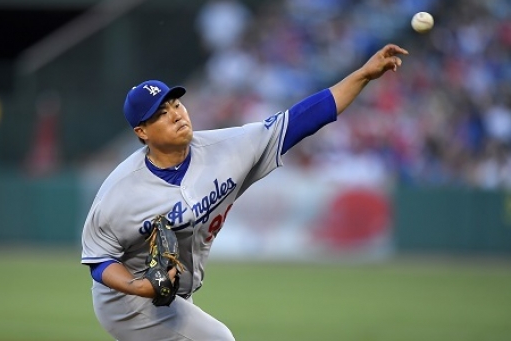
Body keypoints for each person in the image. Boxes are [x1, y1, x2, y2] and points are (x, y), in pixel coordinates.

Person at [80, 43, 408, 341]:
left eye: (176, 104)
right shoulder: (120, 192)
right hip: (127, 301)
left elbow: (301, 120)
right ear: (142, 132)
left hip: (176, 294)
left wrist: (363, 75)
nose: (177, 115)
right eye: (162, 114)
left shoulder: (227, 149)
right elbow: (99, 258)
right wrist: (139, 286)